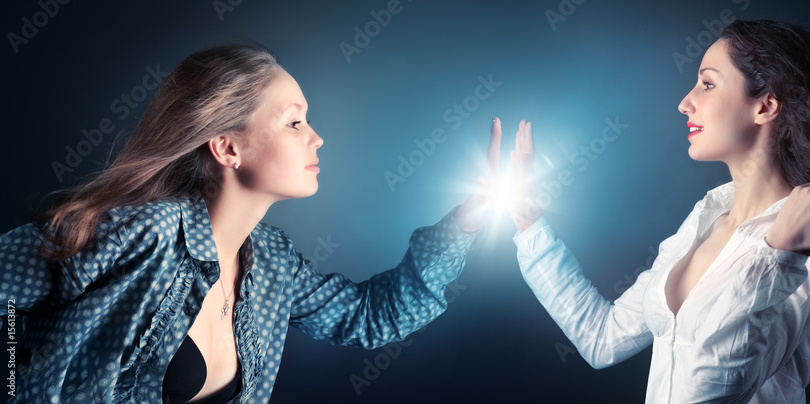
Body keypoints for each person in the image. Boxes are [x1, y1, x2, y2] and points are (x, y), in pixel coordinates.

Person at [0, 44, 499, 403]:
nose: (317, 138)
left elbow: (368, 316)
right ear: (227, 147)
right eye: (295, 121)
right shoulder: (144, 233)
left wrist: (466, 221)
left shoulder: (273, 264)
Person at [503, 20, 810, 403]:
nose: (685, 103)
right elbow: (601, 338)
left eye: (707, 84)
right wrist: (528, 222)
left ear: (765, 106)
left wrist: (780, 256)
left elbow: (714, 393)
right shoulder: (707, 217)